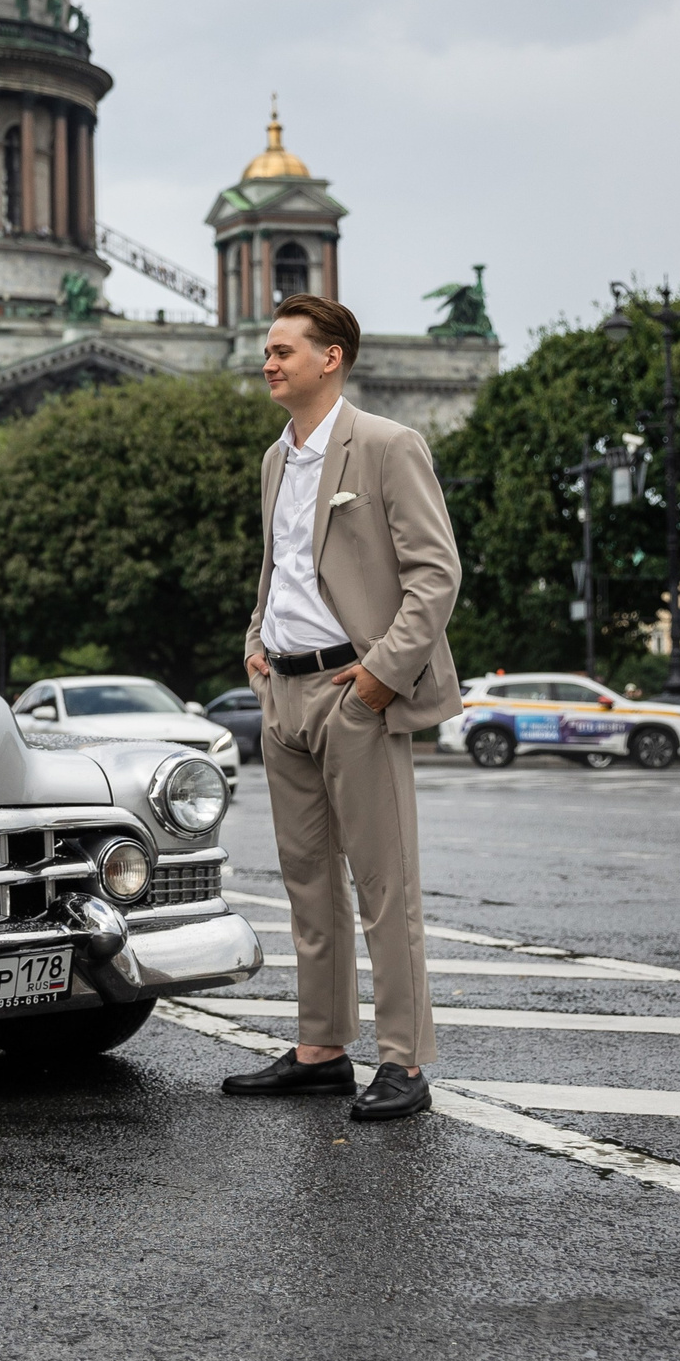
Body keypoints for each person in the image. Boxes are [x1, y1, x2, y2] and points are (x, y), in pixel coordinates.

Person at [223, 295, 461, 1124]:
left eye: (284, 348)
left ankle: (404, 1059)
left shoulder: (389, 446)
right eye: (267, 347)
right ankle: (321, 1048)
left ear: (332, 358)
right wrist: (255, 644)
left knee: (384, 885)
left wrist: (378, 679)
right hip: (282, 690)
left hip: (353, 691)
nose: (269, 360)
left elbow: (436, 574)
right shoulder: (273, 460)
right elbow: (280, 566)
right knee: (307, 884)